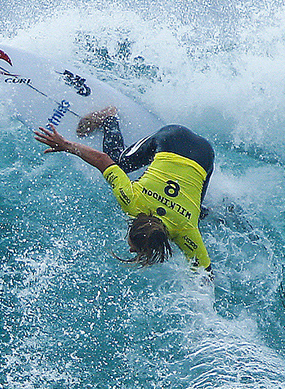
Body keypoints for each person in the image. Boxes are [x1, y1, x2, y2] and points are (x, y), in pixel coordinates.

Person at [34, 110, 216, 272]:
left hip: (205, 155)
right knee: (119, 163)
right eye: (136, 248)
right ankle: (109, 118)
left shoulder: (188, 230)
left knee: (197, 213)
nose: (130, 250)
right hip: (172, 139)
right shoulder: (131, 202)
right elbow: (104, 160)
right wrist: (65, 145)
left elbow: (206, 273)